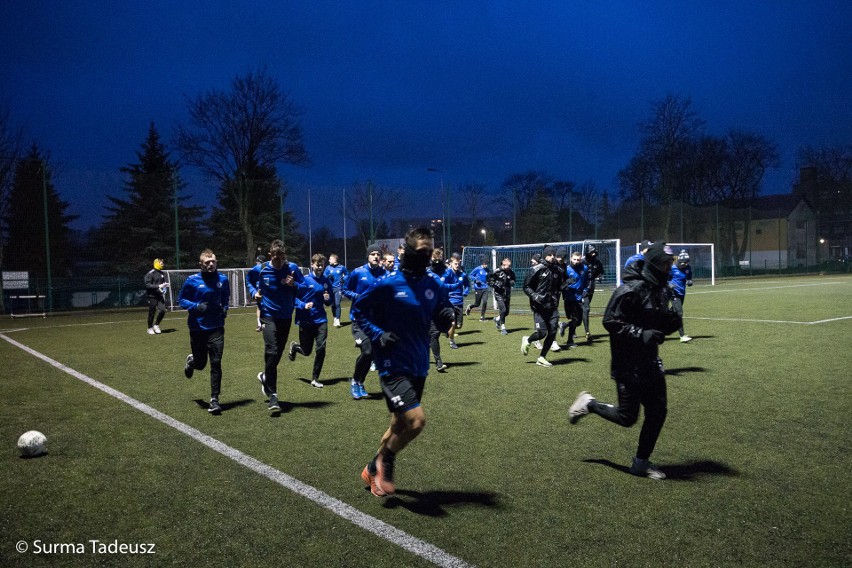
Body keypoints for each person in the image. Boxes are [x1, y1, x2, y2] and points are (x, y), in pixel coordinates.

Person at [353, 226, 454, 497]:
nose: (427, 256)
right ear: (409, 252)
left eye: (430, 251)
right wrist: (377, 334)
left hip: (419, 364)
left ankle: (372, 468)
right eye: (421, 251)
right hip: (391, 363)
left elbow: (441, 308)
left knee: (398, 425)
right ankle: (387, 461)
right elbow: (358, 309)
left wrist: (447, 317)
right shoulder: (388, 283)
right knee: (416, 421)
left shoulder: (435, 283)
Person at [568, 242, 682, 480]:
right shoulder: (630, 289)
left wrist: (670, 322)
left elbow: (657, 319)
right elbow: (610, 322)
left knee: (658, 412)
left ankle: (640, 463)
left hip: (650, 362)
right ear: (653, 264)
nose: (668, 268)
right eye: (664, 263)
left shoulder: (661, 288)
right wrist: (642, 334)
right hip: (628, 365)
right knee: (627, 418)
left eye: (670, 263)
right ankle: (589, 404)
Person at [254, 239, 304, 414]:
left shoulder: (293, 269)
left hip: (285, 317)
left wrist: (294, 284)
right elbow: (253, 284)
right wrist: (255, 293)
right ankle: (273, 396)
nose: (278, 260)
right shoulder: (261, 269)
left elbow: (304, 288)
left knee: (277, 355)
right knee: (272, 350)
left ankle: (265, 376)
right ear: (270, 255)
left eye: (281, 256)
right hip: (268, 316)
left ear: (285, 255)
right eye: (275, 256)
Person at [178, 249, 230, 415]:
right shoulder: (192, 280)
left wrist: (225, 309)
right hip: (197, 328)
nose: (211, 264)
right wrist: (196, 307)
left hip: (216, 328)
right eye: (207, 262)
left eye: (213, 261)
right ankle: (193, 361)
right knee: (201, 364)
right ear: (201, 264)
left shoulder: (223, 279)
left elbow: (225, 298)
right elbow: (181, 299)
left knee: (216, 363)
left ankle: (214, 400)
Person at [343, 244, 387, 399]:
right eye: (373, 254)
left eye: (378, 254)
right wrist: (357, 296)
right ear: (368, 256)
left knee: (370, 354)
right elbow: (345, 290)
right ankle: (355, 381)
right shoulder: (358, 272)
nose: (376, 256)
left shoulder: (385, 274)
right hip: (359, 320)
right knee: (367, 351)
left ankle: (360, 382)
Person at [289, 254, 334, 388]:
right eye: (317, 265)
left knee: (321, 348)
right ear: (312, 265)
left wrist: (327, 299)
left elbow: (329, 302)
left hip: (321, 320)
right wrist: (303, 305)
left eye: (322, 265)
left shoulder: (326, 281)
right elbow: (293, 299)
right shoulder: (304, 280)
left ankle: (315, 378)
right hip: (306, 320)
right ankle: (295, 347)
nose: (320, 267)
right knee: (306, 351)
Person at [521, 246, 563, 367]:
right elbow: (526, 286)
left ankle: (542, 357)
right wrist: (535, 296)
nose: (552, 257)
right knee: (542, 333)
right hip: (539, 307)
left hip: (553, 307)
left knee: (553, 332)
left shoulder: (558, 270)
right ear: (545, 255)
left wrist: (565, 286)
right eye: (550, 255)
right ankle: (528, 340)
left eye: (553, 254)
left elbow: (558, 286)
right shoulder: (536, 269)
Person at [558, 251, 589, 349]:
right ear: (571, 259)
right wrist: (566, 284)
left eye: (578, 259)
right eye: (574, 259)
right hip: (569, 298)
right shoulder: (566, 269)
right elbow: (560, 283)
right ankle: (570, 341)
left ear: (581, 259)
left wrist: (585, 290)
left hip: (579, 298)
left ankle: (564, 325)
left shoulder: (584, 268)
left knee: (578, 321)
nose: (576, 261)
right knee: (575, 319)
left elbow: (587, 281)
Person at [427, 248, 449, 372]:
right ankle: (438, 361)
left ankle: (437, 360)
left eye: (439, 259)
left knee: (434, 334)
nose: (437, 262)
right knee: (433, 334)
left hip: (440, 306)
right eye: (435, 259)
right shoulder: (426, 271)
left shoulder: (445, 270)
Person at [669, 249, 694, 343]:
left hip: (682, 293)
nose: (684, 265)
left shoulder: (688, 268)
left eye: (686, 263)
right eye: (682, 263)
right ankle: (682, 336)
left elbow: (689, 277)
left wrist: (689, 281)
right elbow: (664, 279)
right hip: (673, 293)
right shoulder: (672, 268)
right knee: (679, 313)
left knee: (672, 311)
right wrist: (669, 285)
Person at [445, 256, 470, 348]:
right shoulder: (447, 273)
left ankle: (448, 330)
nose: (457, 265)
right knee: (453, 323)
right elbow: (443, 284)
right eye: (455, 263)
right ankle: (452, 342)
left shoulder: (462, 275)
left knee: (459, 326)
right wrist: (451, 288)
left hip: (459, 302)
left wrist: (466, 291)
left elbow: (467, 285)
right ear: (451, 263)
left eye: (458, 264)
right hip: (450, 302)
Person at [487, 257, 516, 335]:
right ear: (503, 264)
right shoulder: (497, 271)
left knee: (506, 312)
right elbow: (489, 280)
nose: (509, 267)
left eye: (510, 266)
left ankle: (497, 319)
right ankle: (503, 327)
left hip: (507, 294)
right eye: (508, 266)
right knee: (503, 310)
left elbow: (514, 280)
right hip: (499, 294)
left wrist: (512, 282)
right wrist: (495, 284)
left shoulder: (511, 272)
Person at [582, 245, 604, 342]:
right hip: (582, 289)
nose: (593, 254)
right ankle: (587, 332)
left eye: (594, 252)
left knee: (581, 311)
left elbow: (601, 272)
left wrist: (599, 277)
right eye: (591, 252)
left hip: (591, 288)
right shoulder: (582, 262)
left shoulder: (597, 262)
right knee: (586, 309)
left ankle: (570, 327)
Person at [323, 254, 348, 328]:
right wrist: (328, 277)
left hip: (338, 288)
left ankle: (337, 319)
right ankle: (335, 317)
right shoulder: (328, 268)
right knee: (333, 304)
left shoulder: (341, 267)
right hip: (330, 289)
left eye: (330, 259)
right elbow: (324, 276)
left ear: (335, 259)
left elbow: (347, 274)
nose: (329, 260)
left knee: (337, 304)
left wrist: (344, 279)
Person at [144, 258, 168, 335]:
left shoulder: (162, 273)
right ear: (157, 263)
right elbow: (147, 285)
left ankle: (156, 325)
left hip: (160, 296)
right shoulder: (151, 273)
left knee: (163, 310)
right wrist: (159, 286)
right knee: (152, 313)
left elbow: (163, 284)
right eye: (161, 263)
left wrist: (164, 288)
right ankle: (149, 328)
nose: (163, 264)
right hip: (152, 296)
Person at [465, 255, 491, 321]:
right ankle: (470, 307)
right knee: (477, 304)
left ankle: (482, 317)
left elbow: (489, 277)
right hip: (478, 288)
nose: (486, 265)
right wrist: (475, 280)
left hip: (485, 287)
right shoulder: (477, 269)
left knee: (485, 301)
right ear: (482, 263)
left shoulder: (488, 270)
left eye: (487, 264)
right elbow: (470, 275)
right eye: (485, 264)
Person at [248, 254, 266, 332]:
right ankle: (260, 324)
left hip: (266, 291)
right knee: (259, 307)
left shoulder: (265, 269)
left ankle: (262, 324)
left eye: (258, 262)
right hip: (259, 291)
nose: (257, 263)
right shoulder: (256, 271)